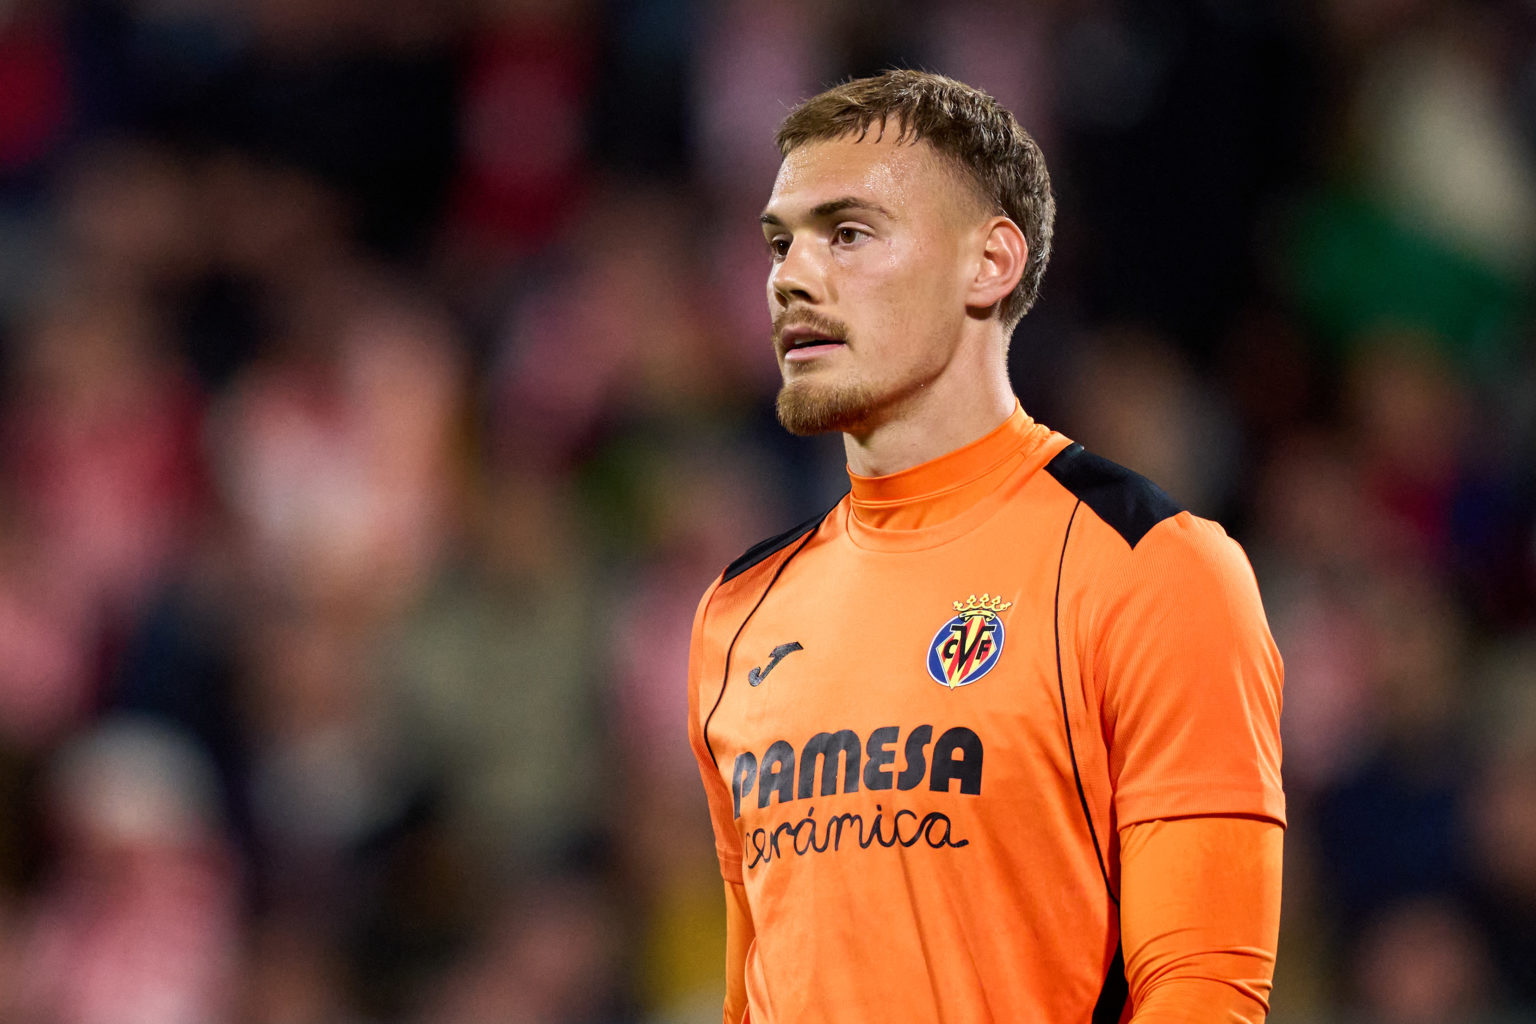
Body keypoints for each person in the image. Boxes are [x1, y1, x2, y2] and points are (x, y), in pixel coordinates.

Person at [685, 70, 1284, 1024]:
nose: (791, 276)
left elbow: (1204, 989)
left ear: (990, 264)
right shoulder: (739, 613)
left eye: (847, 233)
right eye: (780, 242)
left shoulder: (1149, 565)